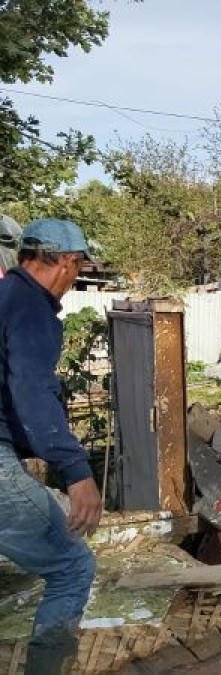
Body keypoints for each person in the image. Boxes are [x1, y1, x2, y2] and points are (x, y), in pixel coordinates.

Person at [0, 219, 101, 673]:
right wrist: (76, 471)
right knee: (72, 568)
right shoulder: (29, 307)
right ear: (64, 262)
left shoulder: (5, 297)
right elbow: (31, 390)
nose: (76, 276)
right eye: (79, 266)